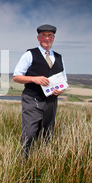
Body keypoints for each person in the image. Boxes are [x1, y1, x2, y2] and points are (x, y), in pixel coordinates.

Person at [13, 24, 67, 158]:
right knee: (30, 132)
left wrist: (59, 91)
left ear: (53, 38)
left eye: (50, 35)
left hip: (51, 101)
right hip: (32, 99)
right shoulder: (29, 54)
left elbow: (64, 81)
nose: (47, 38)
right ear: (38, 38)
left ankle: (43, 160)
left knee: (48, 133)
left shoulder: (59, 58)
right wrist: (34, 79)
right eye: (44, 36)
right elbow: (16, 77)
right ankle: (24, 161)